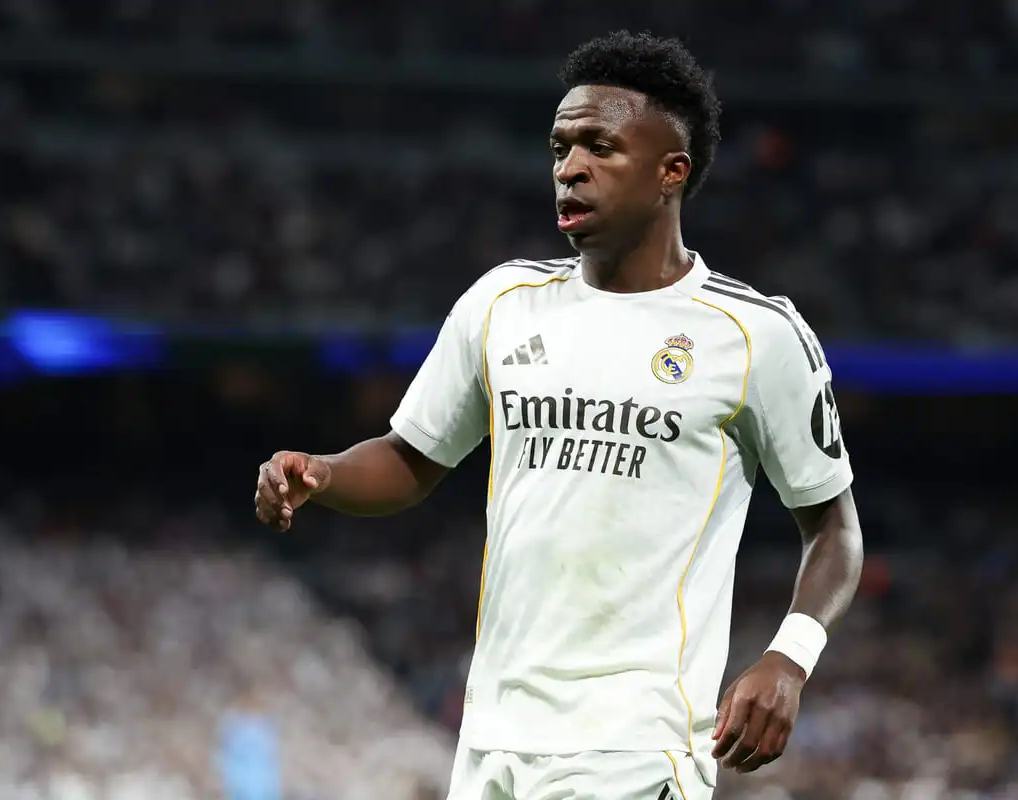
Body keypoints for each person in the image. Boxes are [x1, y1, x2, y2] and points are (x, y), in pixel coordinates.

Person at [254, 30, 864, 800]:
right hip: (493, 741)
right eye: (560, 147)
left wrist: (789, 658)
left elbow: (834, 527)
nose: (569, 168)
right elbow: (410, 460)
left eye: (599, 148)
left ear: (671, 171)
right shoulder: (502, 303)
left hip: (639, 747)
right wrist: (323, 473)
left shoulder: (755, 335)